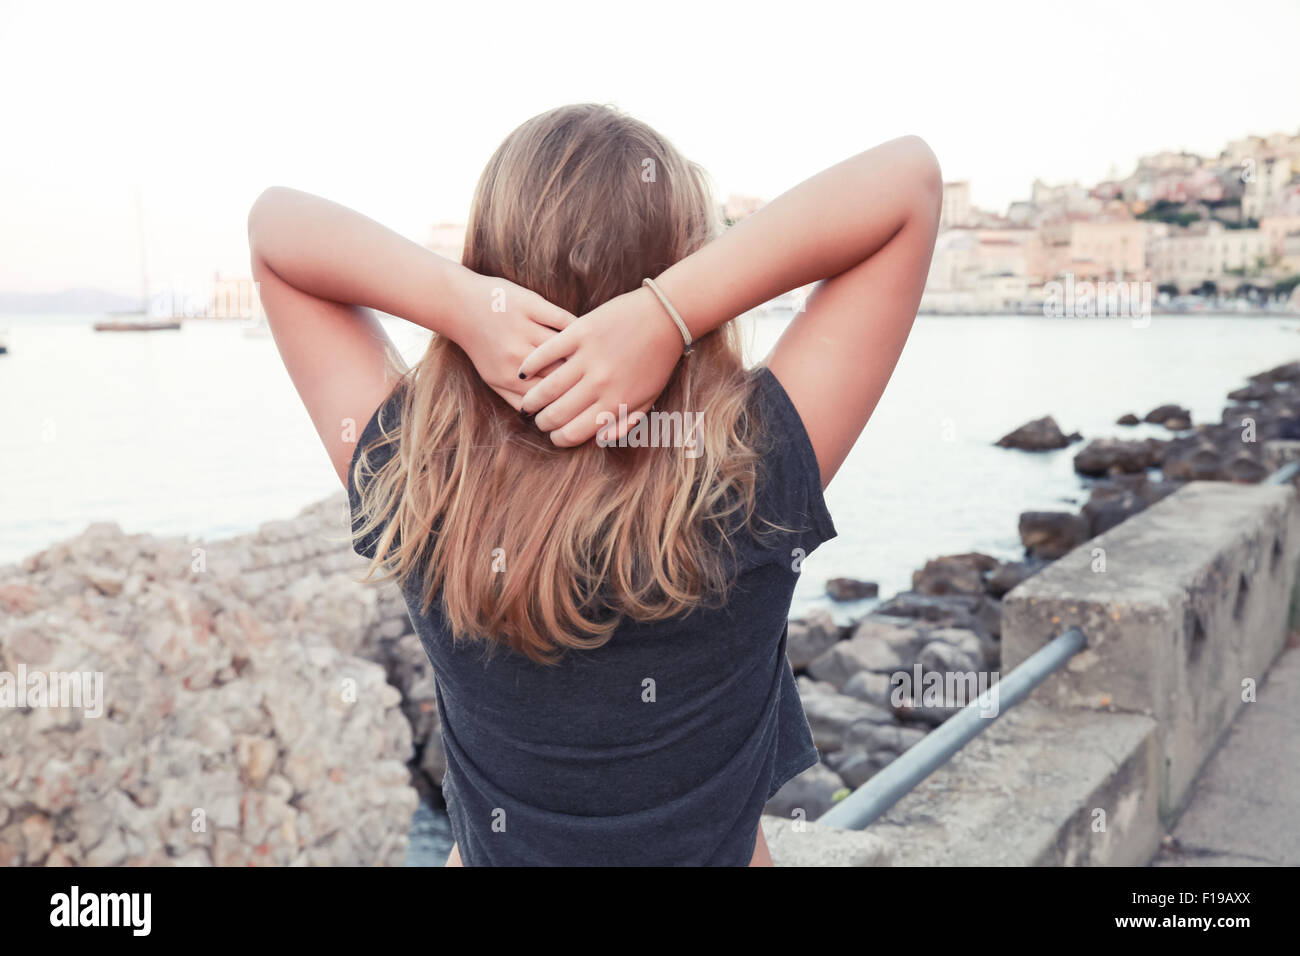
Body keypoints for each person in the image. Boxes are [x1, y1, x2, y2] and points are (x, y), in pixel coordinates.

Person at [247, 103, 940, 866]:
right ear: (683, 259)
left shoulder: (417, 474)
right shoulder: (750, 465)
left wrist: (465, 304)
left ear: (486, 260)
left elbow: (276, 231)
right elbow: (907, 185)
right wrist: (667, 312)